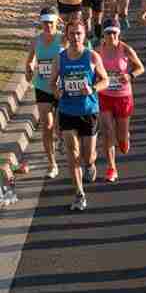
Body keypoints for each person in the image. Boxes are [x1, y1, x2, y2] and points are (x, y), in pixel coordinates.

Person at [50, 20, 110, 211]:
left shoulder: (92, 56)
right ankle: (79, 193)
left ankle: (90, 165)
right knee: (72, 153)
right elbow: (52, 83)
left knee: (87, 155)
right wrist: (57, 92)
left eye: (79, 33)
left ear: (84, 35)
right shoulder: (60, 58)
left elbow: (106, 80)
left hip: (88, 111)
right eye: (72, 33)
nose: (75, 37)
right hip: (67, 111)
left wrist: (93, 88)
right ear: (67, 36)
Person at [96, 18, 145, 182]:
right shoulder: (98, 51)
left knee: (121, 138)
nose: (111, 36)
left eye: (114, 33)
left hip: (123, 96)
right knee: (107, 130)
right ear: (103, 35)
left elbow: (140, 67)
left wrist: (130, 76)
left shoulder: (126, 49)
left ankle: (125, 137)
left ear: (119, 33)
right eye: (108, 33)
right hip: (104, 95)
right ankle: (111, 167)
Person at [25, 7, 63, 178]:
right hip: (42, 87)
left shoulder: (63, 39)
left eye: (50, 22)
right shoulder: (36, 41)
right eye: (45, 22)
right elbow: (30, 60)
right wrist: (29, 69)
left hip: (61, 87)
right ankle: (52, 164)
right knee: (47, 126)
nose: (48, 25)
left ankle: (61, 137)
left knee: (59, 126)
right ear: (41, 22)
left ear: (56, 22)